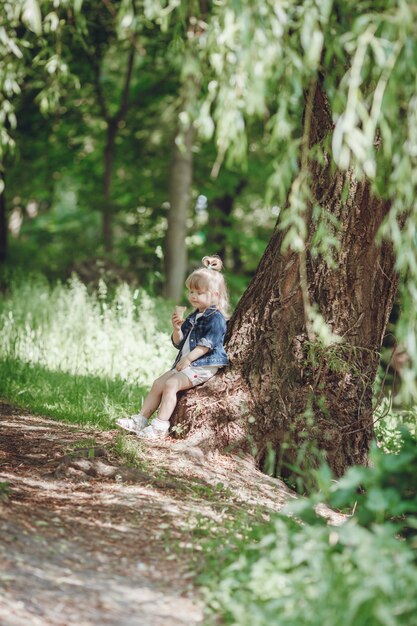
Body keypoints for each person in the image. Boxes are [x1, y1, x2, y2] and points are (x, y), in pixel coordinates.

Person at [116, 255, 229, 439]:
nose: (193, 296)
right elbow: (179, 342)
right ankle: (140, 419)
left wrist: (188, 359)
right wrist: (177, 329)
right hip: (186, 363)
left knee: (171, 384)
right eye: (191, 291)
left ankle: (160, 426)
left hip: (203, 365)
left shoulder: (215, 318)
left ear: (215, 295)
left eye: (199, 293)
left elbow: (207, 346)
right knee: (158, 383)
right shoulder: (194, 316)